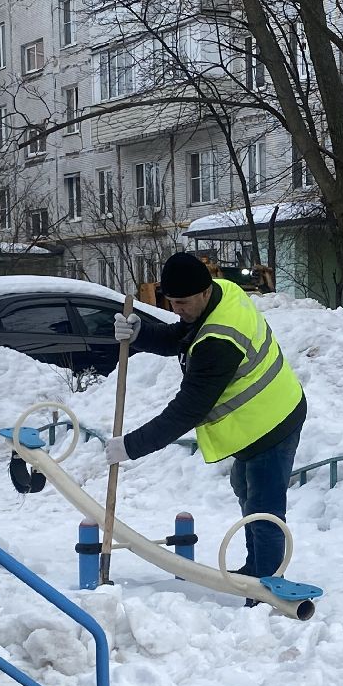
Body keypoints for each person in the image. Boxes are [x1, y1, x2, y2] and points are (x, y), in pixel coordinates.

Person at [108, 252, 307, 603]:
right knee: (247, 491)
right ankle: (254, 571)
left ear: (202, 292)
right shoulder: (220, 294)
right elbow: (181, 336)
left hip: (273, 421)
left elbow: (187, 411)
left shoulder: (219, 339)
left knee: (264, 508)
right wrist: (141, 333)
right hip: (256, 417)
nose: (177, 310)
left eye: (182, 303)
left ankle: (266, 591)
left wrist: (130, 446)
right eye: (171, 302)